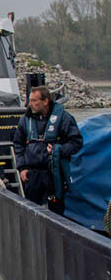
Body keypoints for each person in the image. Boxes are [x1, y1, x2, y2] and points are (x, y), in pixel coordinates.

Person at [13, 86, 83, 214]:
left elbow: (76, 142)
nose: (30, 104)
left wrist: (59, 150)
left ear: (45, 101)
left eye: (35, 101)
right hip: (32, 174)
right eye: (30, 100)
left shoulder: (64, 118)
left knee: (56, 210)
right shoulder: (25, 120)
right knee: (31, 210)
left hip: (54, 173)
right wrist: (22, 167)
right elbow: (18, 143)